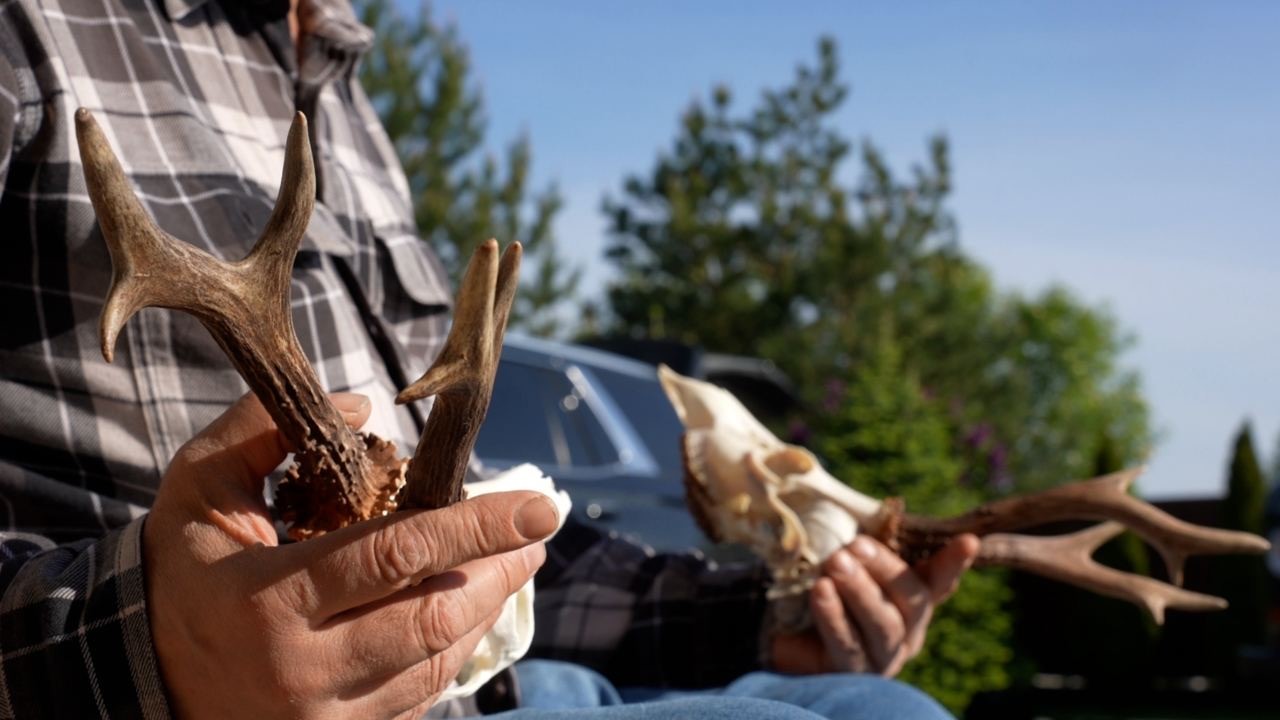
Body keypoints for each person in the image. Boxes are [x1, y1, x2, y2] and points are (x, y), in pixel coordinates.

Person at [0, 1, 978, 717]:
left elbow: (454, 530)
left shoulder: (337, 84)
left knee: (875, 708)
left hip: (500, 687)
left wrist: (760, 621)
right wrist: (141, 647)